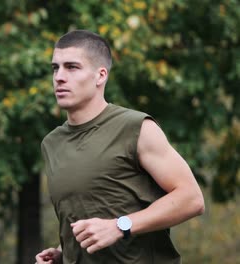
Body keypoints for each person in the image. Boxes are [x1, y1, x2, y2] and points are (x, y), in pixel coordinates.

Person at [35, 30, 205, 264]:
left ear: (100, 75)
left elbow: (191, 199)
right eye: (56, 68)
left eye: (72, 67)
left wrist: (120, 226)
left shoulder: (135, 128)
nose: (59, 77)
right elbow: (88, 214)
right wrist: (64, 253)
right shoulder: (52, 143)